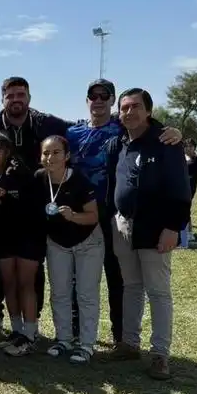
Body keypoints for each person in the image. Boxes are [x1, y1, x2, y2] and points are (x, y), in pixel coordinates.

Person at [65, 79, 180, 345]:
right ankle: (75, 330)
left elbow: (149, 126)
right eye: (93, 95)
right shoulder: (72, 132)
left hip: (112, 215)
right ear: (87, 100)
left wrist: (173, 131)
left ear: (111, 101)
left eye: (104, 95)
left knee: (119, 279)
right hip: (79, 214)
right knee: (77, 277)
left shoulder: (124, 128)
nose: (98, 100)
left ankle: (122, 337)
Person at [0, 77, 71, 331]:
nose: (16, 100)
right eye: (10, 95)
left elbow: (79, 130)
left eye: (21, 95)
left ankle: (31, 324)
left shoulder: (46, 123)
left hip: (34, 208)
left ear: (29, 98)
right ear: (2, 99)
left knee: (31, 271)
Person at [102, 89, 191, 380]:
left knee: (158, 292)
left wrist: (173, 227)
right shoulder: (118, 143)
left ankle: (160, 355)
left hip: (156, 228)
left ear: (149, 111)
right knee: (131, 287)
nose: (129, 112)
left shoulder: (166, 142)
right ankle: (129, 344)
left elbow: (181, 189)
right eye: (124, 108)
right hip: (123, 226)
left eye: (136, 107)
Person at [0, 131, 45, 356]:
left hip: (28, 234)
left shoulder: (19, 171)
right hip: (1, 236)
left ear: (7, 152)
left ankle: (30, 335)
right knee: (9, 284)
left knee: (26, 284)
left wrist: (10, 196)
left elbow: (33, 204)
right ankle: (16, 331)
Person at [38, 136, 103, 364]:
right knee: (59, 292)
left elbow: (93, 217)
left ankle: (86, 345)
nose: (50, 157)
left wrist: (73, 216)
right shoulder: (39, 178)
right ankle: (64, 339)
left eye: (56, 152)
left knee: (86, 293)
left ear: (67, 156)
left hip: (88, 241)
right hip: (57, 243)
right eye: (46, 153)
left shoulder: (79, 180)